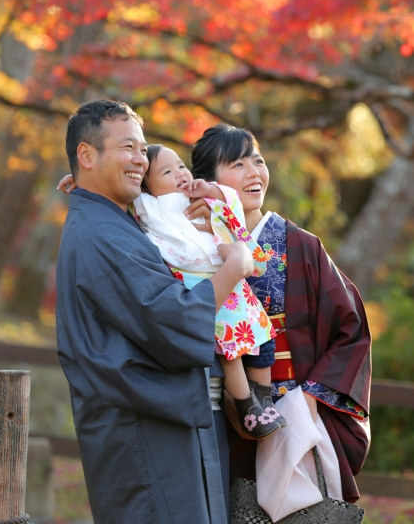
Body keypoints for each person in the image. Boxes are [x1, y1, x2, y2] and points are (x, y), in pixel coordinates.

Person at [56, 100, 254, 524]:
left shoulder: (109, 220)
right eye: (127, 147)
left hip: (152, 425)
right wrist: (234, 266)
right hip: (142, 435)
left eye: (143, 150)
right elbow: (171, 314)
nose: (139, 159)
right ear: (87, 156)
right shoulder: (101, 233)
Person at [187, 123, 372, 506]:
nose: (254, 173)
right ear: (207, 182)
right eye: (237, 164)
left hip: (293, 407)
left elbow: (350, 328)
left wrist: (311, 397)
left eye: (258, 160)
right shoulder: (191, 244)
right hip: (220, 411)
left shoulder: (300, 245)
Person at [133, 143, 284, 439]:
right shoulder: (150, 207)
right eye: (167, 171)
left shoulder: (200, 196)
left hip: (234, 280)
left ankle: (263, 398)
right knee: (232, 353)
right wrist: (82, 183)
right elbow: (118, 195)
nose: (179, 174)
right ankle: (245, 405)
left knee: (264, 340)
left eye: (180, 166)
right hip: (203, 285)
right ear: (146, 187)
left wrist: (211, 192)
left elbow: (231, 207)